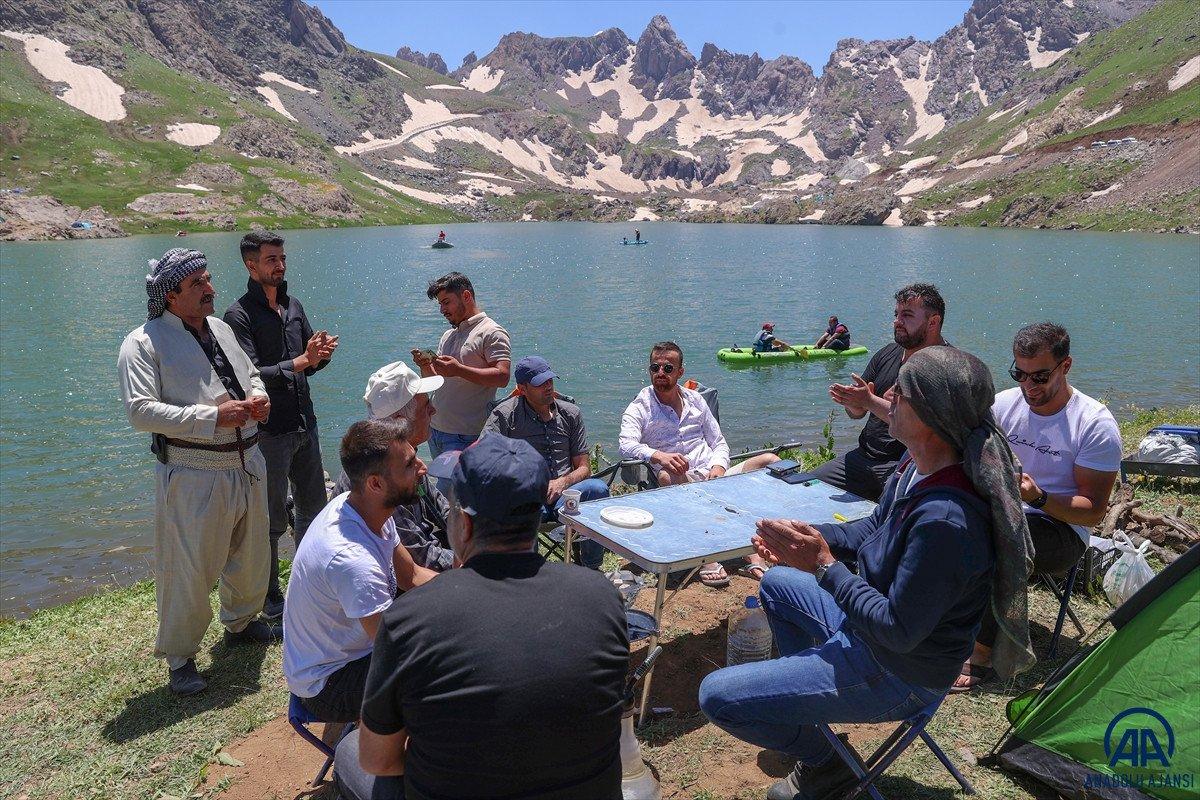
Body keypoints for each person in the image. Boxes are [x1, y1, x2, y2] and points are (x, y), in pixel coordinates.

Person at [699, 347, 1034, 800]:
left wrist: (822, 564)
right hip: (867, 634)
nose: (889, 396)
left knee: (716, 696)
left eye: (901, 392)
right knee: (778, 584)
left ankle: (825, 760)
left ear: (930, 415)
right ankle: (810, 717)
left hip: (899, 671)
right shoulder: (916, 466)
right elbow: (874, 527)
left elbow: (898, 630)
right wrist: (806, 537)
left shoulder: (946, 520)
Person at [333, 434, 629, 800]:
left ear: (466, 525)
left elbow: (379, 760)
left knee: (351, 752)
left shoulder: (410, 620)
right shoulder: (603, 597)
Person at [117, 248, 280, 697]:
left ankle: (241, 622)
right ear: (171, 296)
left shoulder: (221, 329)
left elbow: (250, 374)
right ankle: (180, 657)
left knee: (251, 555)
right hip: (194, 471)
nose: (210, 289)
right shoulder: (142, 343)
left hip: (248, 460)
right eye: (198, 284)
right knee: (188, 569)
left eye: (208, 279)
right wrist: (212, 417)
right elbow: (140, 411)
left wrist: (260, 397)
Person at [953, 322, 1121, 692]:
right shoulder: (1003, 404)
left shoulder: (1093, 424)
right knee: (944, 518)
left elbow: (1093, 511)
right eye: (1020, 374)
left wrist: (1038, 497)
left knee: (1001, 539)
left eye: (1040, 377)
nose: (1029, 386)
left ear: (1066, 365)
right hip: (1005, 510)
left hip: (1062, 529)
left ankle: (982, 653)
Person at [283, 419, 437, 726]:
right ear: (376, 484)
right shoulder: (352, 559)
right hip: (329, 684)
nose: (422, 468)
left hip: (353, 652)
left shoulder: (366, 509)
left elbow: (411, 576)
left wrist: (469, 590)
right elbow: (393, 649)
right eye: (409, 465)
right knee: (441, 671)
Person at [224, 230, 338, 619]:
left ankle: (311, 585)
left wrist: (320, 355)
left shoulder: (293, 306)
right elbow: (249, 374)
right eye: (271, 259)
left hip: (305, 423)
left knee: (313, 510)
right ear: (250, 265)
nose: (280, 265)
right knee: (270, 520)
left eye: (282, 258)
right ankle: (271, 597)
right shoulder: (238, 315)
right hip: (269, 432)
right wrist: (303, 361)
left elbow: (309, 363)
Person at [619, 341, 780, 586]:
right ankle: (708, 554)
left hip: (713, 475)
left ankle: (764, 540)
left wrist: (719, 466)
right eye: (655, 368)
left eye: (668, 368)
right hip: (681, 478)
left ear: (680, 372)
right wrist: (659, 456)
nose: (660, 373)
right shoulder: (641, 405)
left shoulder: (695, 400)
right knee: (667, 475)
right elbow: (626, 444)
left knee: (770, 461)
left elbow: (719, 442)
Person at [814, 283, 948, 502]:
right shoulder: (887, 353)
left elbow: (921, 426)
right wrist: (854, 403)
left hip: (908, 466)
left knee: (894, 513)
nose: (897, 321)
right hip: (862, 457)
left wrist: (869, 401)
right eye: (896, 314)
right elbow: (858, 412)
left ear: (933, 322)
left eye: (907, 315)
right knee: (805, 487)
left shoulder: (946, 365)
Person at [483, 355, 610, 570]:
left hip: (566, 495)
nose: (548, 386)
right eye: (540, 383)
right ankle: (530, 572)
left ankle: (591, 568)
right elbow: (485, 460)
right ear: (522, 389)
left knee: (598, 488)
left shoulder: (570, 413)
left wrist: (562, 483)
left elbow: (584, 468)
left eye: (550, 380)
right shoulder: (505, 415)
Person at [330, 361, 456, 573]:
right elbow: (421, 559)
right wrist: (478, 558)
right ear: (400, 420)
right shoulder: (384, 475)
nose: (433, 410)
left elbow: (441, 508)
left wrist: (474, 533)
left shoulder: (403, 455)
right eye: (426, 406)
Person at [412, 272, 511, 458]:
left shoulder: (491, 332)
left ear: (466, 296)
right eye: (440, 304)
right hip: (435, 430)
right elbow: (437, 380)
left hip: (466, 436)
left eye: (446, 302)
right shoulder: (448, 335)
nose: (442, 310)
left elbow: (502, 376)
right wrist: (425, 366)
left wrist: (459, 370)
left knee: (456, 479)